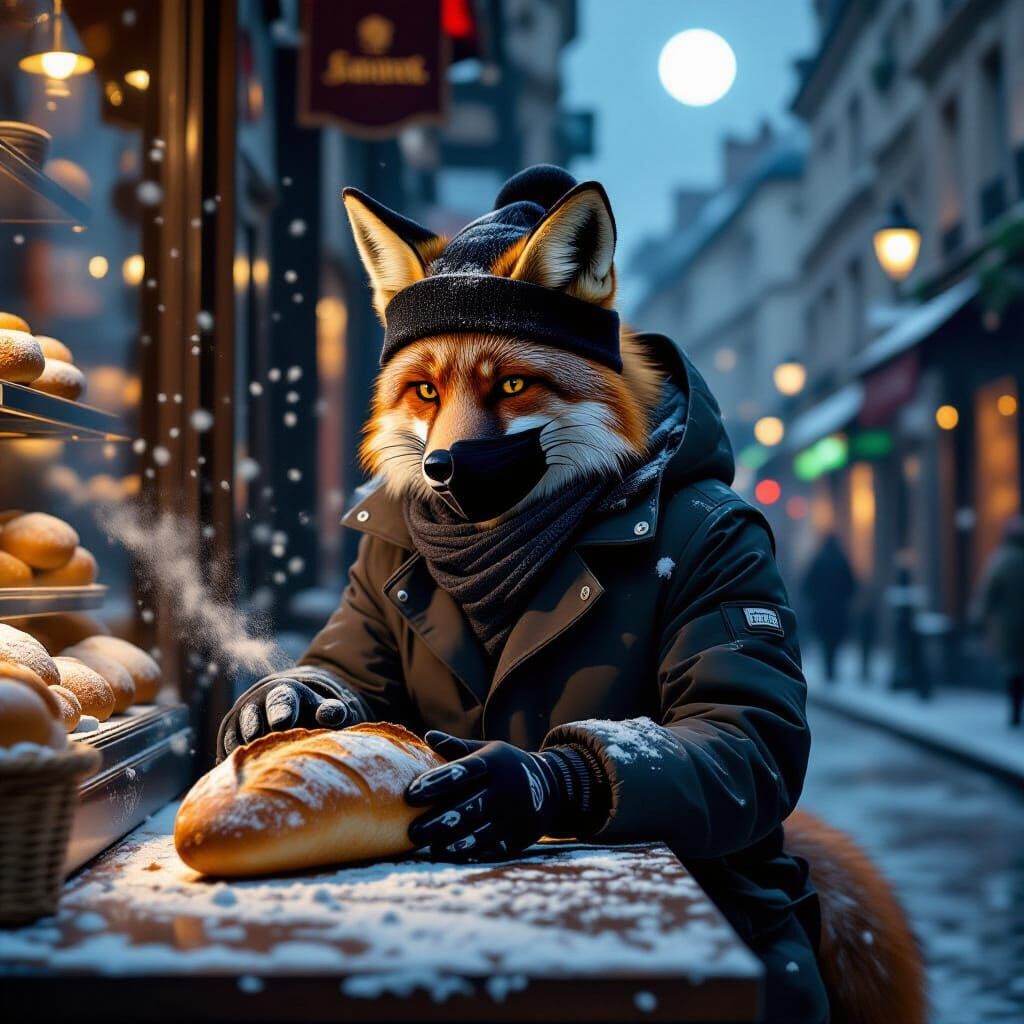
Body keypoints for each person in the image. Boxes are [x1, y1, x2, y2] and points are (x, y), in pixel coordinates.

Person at [220, 166, 833, 1020]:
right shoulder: (404, 535)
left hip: (691, 946)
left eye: (509, 386)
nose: (451, 443)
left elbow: (752, 755)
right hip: (462, 936)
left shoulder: (705, 532)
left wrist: (570, 782)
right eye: (427, 393)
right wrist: (301, 703)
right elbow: (349, 673)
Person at [974, 516, 1024, 726]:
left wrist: (978, 619)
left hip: (1011, 626)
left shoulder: (1002, 560)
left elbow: (988, 594)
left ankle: (1015, 713)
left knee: (1014, 669)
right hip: (1013, 624)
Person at [801, 534, 857, 682]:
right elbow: (851, 585)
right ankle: (831, 670)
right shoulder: (842, 561)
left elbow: (807, 585)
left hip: (822, 609)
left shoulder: (819, 561)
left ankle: (828, 670)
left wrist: (815, 598)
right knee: (834, 640)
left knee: (825, 640)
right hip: (838, 610)